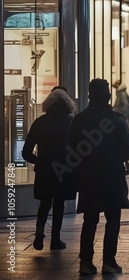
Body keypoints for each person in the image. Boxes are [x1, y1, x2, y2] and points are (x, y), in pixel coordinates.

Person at [70, 78, 129, 275]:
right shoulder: (117, 120)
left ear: (89, 95)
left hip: (88, 176)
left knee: (90, 219)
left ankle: (86, 262)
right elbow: (128, 151)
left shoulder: (78, 120)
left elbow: (70, 149)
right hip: (112, 176)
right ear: (107, 96)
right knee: (113, 219)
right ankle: (109, 262)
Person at [22, 87, 77, 251]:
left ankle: (39, 234)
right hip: (64, 171)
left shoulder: (40, 122)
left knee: (44, 204)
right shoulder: (71, 122)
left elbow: (26, 152)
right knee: (59, 205)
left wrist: (39, 162)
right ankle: (55, 239)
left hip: (45, 171)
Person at [112, 80, 129, 175]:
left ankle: (128, 167)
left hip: (120, 119)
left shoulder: (121, 93)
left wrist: (120, 116)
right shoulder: (122, 92)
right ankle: (127, 166)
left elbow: (125, 106)